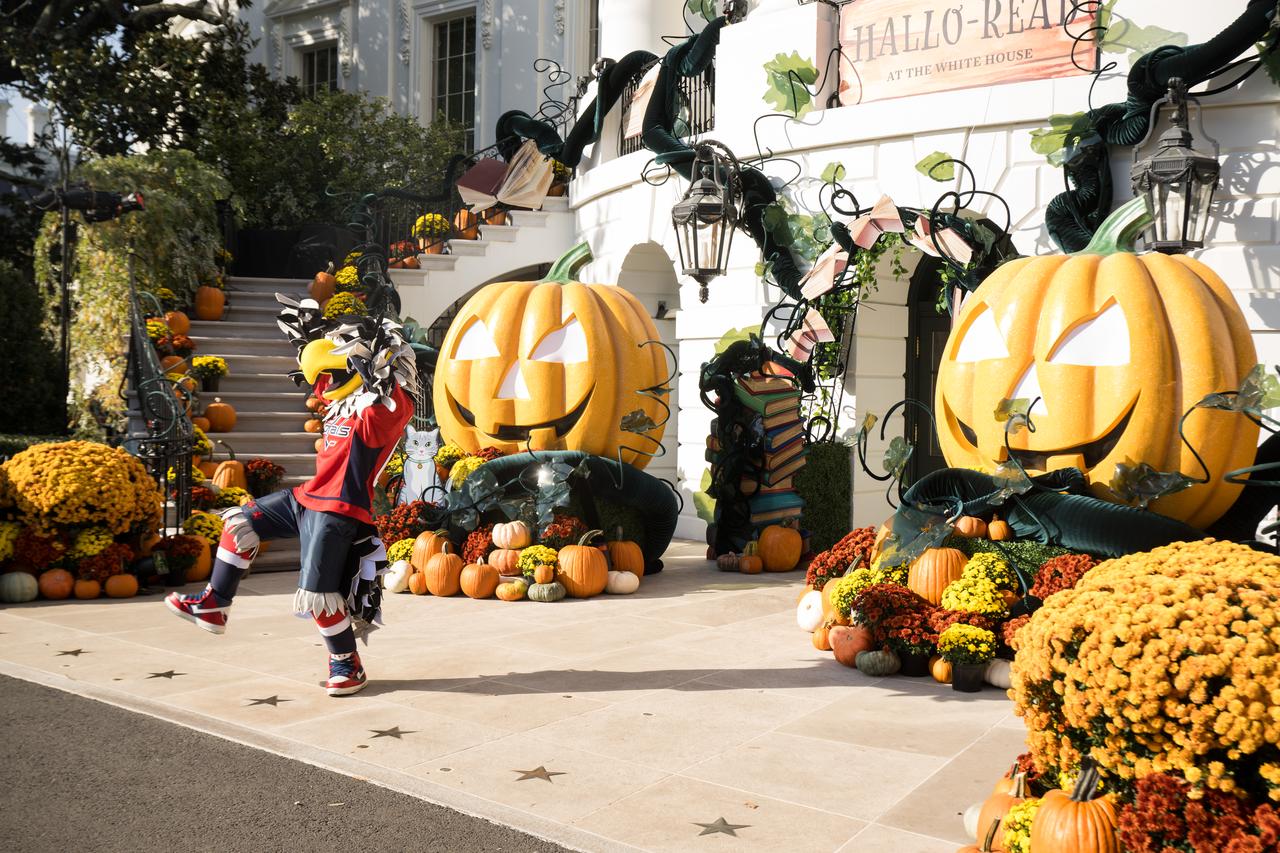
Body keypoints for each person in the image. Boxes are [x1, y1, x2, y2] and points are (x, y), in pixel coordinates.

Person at [166, 301, 417, 696]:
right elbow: (319, 368)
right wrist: (313, 338)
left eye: (332, 376)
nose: (323, 387)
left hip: (339, 510)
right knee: (239, 524)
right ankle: (214, 604)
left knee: (318, 595)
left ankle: (346, 663)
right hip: (305, 498)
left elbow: (400, 405)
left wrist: (380, 359)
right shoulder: (338, 406)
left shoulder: (375, 412)